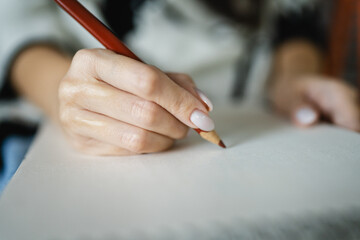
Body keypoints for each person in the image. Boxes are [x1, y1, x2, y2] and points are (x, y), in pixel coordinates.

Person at [0, 0, 359, 162]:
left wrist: (294, 79)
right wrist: (68, 96)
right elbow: (18, 38)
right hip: (67, 132)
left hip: (261, 110)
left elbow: (296, 20)